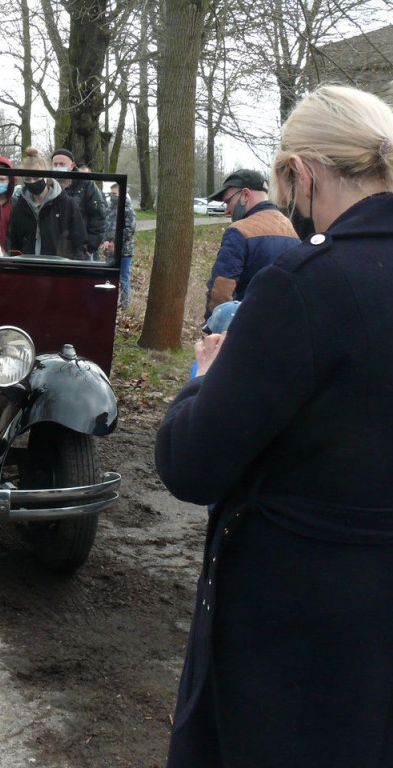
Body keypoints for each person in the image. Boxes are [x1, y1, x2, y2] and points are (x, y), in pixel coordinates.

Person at [155, 84, 393, 767]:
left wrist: (204, 376)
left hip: (300, 623)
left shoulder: (306, 284)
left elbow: (191, 464)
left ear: (302, 172)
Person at [203, 168, 299, 318]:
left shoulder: (239, 231)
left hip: (246, 327)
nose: (227, 210)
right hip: (284, 325)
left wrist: (214, 325)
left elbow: (221, 289)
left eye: (228, 201)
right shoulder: (292, 229)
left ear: (245, 195)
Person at [7, 147, 86, 259]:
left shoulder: (67, 205)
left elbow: (78, 242)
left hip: (59, 269)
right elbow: (13, 242)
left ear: (46, 176)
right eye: (28, 179)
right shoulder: (19, 207)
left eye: (36, 178)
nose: (32, 182)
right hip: (27, 268)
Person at [50, 149, 106, 259]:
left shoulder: (86, 184)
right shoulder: (49, 185)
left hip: (79, 249)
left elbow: (98, 216)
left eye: (62, 164)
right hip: (53, 248)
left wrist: (89, 248)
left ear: (72, 166)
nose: (58, 167)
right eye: (55, 164)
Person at [100, 182, 136, 306]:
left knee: (123, 277)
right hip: (110, 250)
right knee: (109, 276)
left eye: (114, 194)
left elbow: (130, 230)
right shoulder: (110, 209)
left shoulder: (128, 210)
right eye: (111, 194)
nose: (112, 196)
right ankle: (109, 301)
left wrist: (116, 242)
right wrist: (105, 240)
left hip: (124, 251)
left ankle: (125, 303)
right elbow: (105, 227)